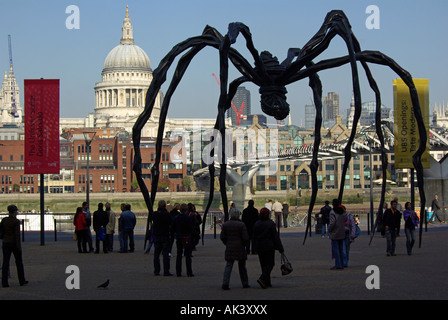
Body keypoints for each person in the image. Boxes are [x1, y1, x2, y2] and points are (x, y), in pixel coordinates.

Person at [253, 207, 284, 289]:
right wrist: (280, 248)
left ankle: (267, 281)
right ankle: (263, 278)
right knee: (270, 264)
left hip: (260, 246)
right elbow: (275, 237)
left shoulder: (257, 224)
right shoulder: (270, 224)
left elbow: (254, 237)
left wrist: (254, 248)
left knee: (263, 264)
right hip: (269, 246)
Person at [220, 208, 250, 290]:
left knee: (228, 266)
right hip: (240, 246)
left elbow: (222, 237)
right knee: (242, 267)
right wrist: (244, 245)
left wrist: (227, 243)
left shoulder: (226, 224)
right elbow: (245, 237)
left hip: (230, 246)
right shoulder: (241, 225)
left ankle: (225, 283)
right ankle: (245, 283)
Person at [1, 205, 27, 287]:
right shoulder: (16, 221)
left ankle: (4, 282)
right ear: (14, 212)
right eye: (16, 211)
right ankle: (21, 280)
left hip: (5, 243)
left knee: (5, 263)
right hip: (14, 244)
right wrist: (19, 247)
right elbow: (17, 236)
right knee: (19, 263)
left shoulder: (4, 220)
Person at [172, 203, 194, 277]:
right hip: (186, 237)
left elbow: (173, 228)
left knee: (179, 254)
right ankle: (189, 272)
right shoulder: (188, 218)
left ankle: (178, 272)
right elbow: (191, 228)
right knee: (188, 255)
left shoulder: (176, 218)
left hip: (179, 236)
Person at [152, 200, 173, 276]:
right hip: (165, 235)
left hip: (157, 235)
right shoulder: (167, 214)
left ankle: (156, 270)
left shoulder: (154, 214)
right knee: (165, 254)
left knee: (156, 254)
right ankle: (166, 271)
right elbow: (171, 224)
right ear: (164, 206)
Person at [328, 199, 347, 270]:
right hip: (342, 231)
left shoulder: (332, 212)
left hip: (335, 232)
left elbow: (332, 223)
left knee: (336, 249)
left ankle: (338, 264)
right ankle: (342, 264)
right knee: (341, 249)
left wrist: (330, 230)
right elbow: (345, 219)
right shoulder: (342, 211)